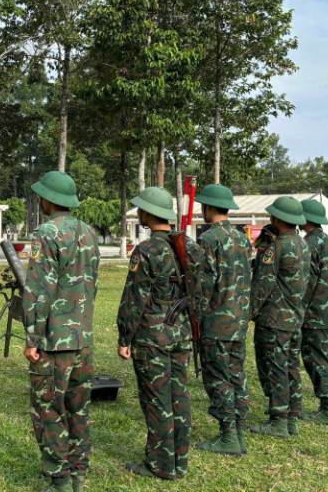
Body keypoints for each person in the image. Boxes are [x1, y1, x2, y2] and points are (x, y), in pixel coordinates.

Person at [22, 171, 100, 492]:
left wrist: (33, 339)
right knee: (78, 410)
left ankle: (60, 481)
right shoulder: (89, 233)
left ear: (48, 200)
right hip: (83, 340)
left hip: (54, 345)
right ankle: (78, 476)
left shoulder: (46, 233)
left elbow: (39, 291)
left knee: (49, 412)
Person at [118, 187, 203, 480]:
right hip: (181, 333)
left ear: (148, 214)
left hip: (152, 337)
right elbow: (200, 291)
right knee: (179, 397)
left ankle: (160, 465)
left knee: (157, 400)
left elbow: (134, 299)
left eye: (140, 209)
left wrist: (124, 337)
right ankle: (180, 462)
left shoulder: (146, 250)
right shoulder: (191, 247)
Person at [191, 184, 253, 456]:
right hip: (239, 319)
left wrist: (195, 316)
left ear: (208, 207)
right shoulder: (242, 238)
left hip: (217, 322)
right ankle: (239, 431)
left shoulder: (209, 239)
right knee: (237, 376)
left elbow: (205, 285)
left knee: (218, 379)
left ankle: (228, 437)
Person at [249, 196, 308, 438]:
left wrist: (248, 314)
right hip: (295, 317)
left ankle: (278, 422)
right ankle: (292, 418)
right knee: (291, 368)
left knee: (275, 369)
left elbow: (262, 284)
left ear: (278, 219)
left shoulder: (277, 247)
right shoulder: (304, 245)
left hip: (274, 320)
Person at [298, 199, 328, 425]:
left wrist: (297, 308)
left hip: (315, 313)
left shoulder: (309, 244)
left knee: (317, 360)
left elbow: (307, 282)